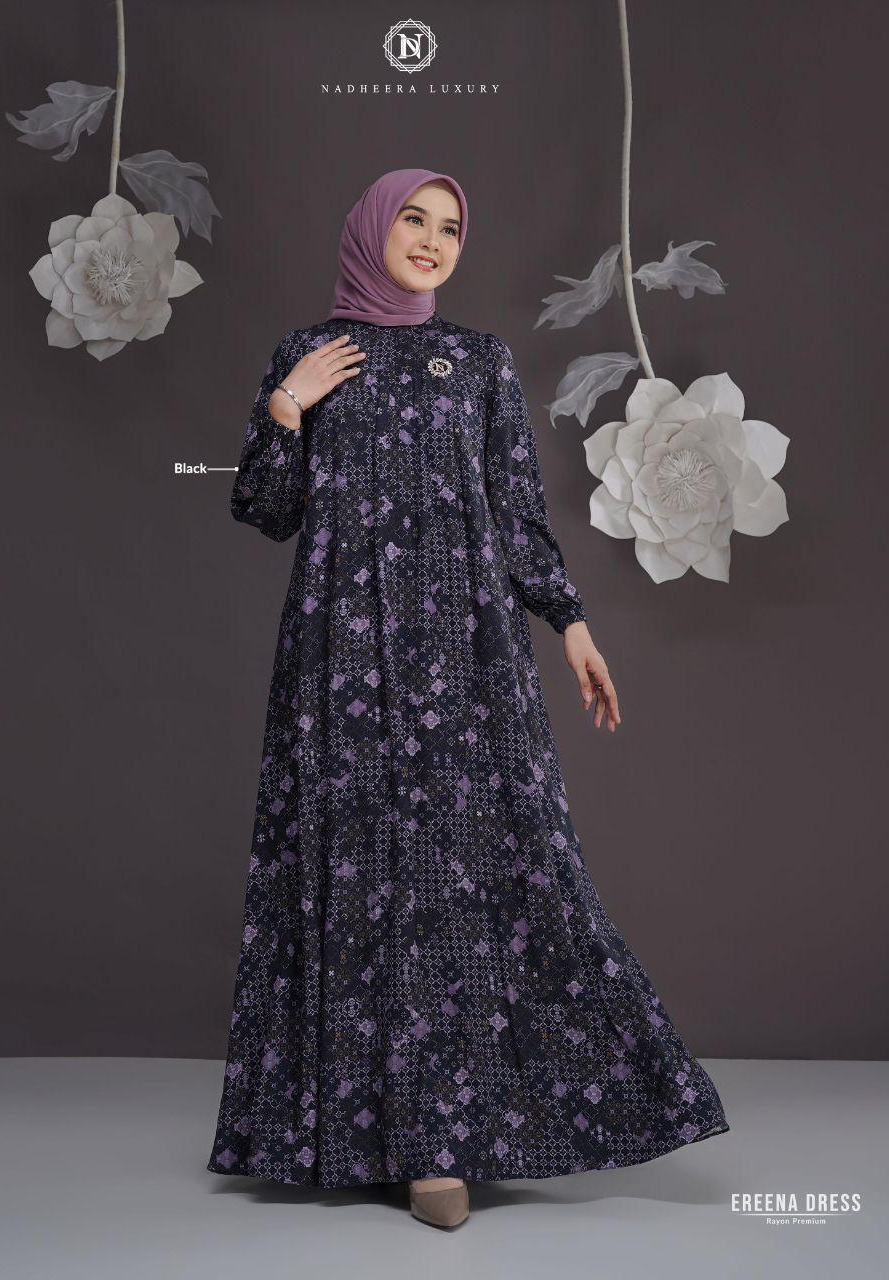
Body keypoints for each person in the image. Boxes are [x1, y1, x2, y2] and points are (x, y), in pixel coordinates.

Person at [206, 168, 729, 1229]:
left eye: (450, 227)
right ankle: (367, 1135)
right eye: (414, 219)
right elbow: (264, 507)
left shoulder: (479, 362)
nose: (433, 240)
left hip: (466, 651)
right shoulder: (308, 351)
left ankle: (450, 1133)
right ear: (371, 227)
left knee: (477, 871)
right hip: (342, 658)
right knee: (357, 873)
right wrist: (286, 406)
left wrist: (569, 622)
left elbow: (517, 508)